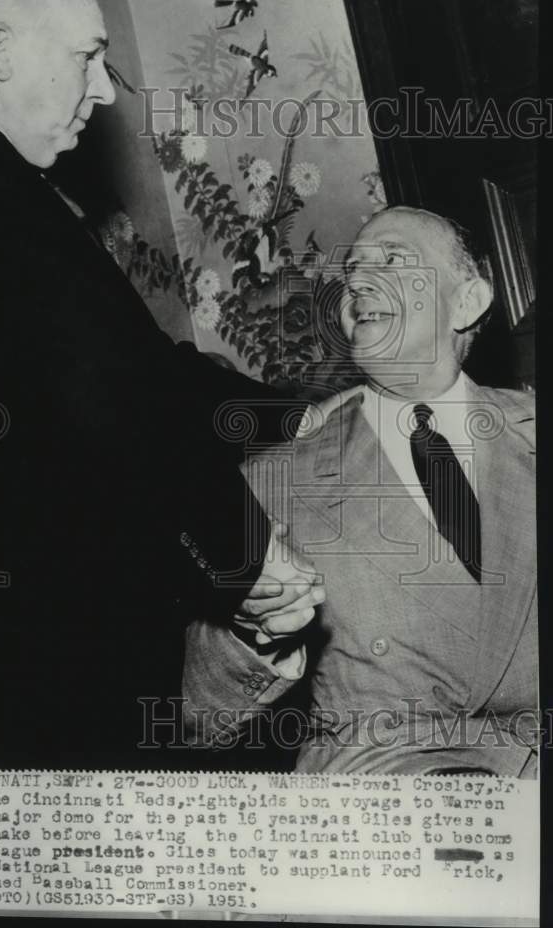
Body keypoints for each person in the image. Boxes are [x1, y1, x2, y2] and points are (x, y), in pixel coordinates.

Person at [0, 0, 321, 771]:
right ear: (1, 50)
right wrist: (244, 554)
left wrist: (292, 407)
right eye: (87, 57)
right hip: (15, 664)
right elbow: (107, 393)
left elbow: (129, 366)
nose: (103, 89)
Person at [184, 206, 537, 776]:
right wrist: (257, 630)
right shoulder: (272, 481)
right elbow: (201, 719)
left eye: (394, 261)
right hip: (391, 804)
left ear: (467, 303)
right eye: (351, 272)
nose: (358, 284)